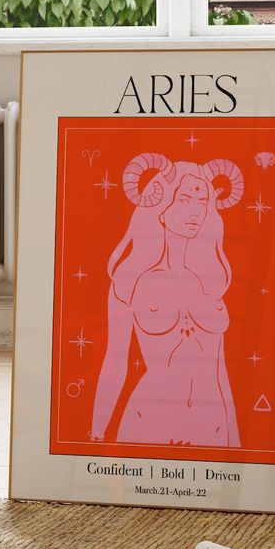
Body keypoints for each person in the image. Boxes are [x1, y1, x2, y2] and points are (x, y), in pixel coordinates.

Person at [89, 152, 244, 447]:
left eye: (203, 202)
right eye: (184, 200)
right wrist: (97, 434)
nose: (196, 212)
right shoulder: (130, 281)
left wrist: (234, 442)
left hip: (211, 428)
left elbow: (220, 372)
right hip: (146, 422)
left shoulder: (212, 281)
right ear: (160, 206)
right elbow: (115, 363)